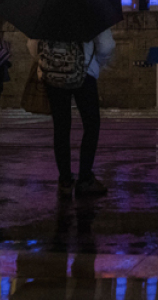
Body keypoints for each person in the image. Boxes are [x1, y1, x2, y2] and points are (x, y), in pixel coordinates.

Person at [29, 28, 115, 197]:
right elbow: (106, 46)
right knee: (91, 125)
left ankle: (65, 181)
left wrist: (49, 63)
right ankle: (85, 178)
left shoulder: (48, 12)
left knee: (61, 127)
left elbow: (33, 45)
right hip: (85, 73)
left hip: (53, 76)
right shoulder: (91, 9)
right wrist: (96, 62)